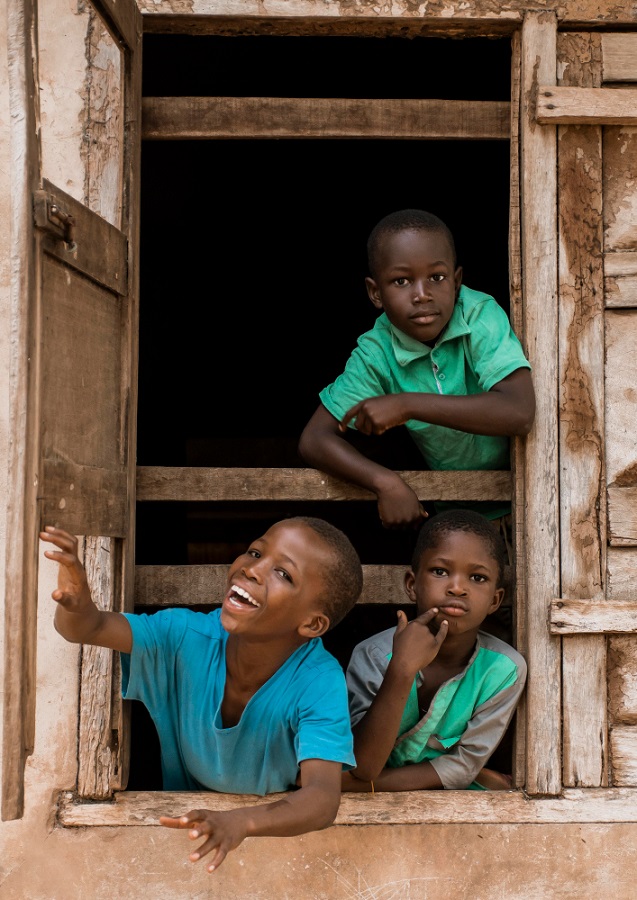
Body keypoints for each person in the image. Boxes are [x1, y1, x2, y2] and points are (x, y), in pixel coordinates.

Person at [40, 516, 363, 873]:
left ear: (312, 625)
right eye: (255, 552)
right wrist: (75, 603)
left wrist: (241, 822)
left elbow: (321, 799)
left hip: (274, 849)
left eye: (283, 574)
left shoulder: (319, 680)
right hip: (179, 830)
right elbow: (91, 627)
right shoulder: (185, 635)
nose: (253, 569)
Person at [298, 208, 536, 532]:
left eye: (436, 278)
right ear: (375, 293)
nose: (422, 294)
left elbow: (519, 411)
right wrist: (384, 482)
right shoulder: (377, 351)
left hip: (533, 500)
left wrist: (405, 404)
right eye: (401, 281)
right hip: (460, 516)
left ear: (457, 281)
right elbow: (314, 439)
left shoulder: (478, 314)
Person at [341, 509, 527, 793]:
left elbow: (464, 765)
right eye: (440, 572)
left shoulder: (504, 669)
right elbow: (362, 763)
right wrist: (401, 670)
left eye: (477, 578)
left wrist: (354, 786)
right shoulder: (374, 656)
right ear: (412, 585)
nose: (457, 588)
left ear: (495, 600)